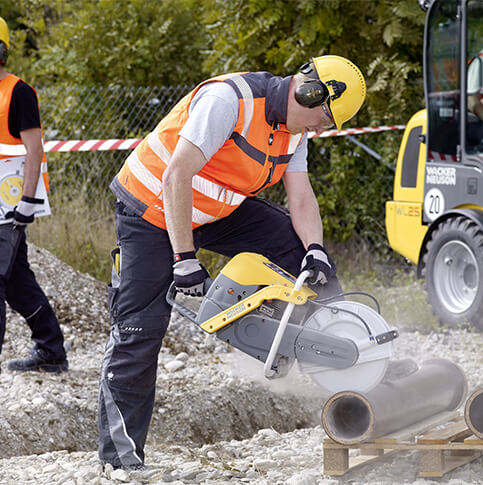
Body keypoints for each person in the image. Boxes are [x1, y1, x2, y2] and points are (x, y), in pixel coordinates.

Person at [98, 55, 366, 469]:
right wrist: (184, 259)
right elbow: (175, 177)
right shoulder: (229, 100)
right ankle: (120, 462)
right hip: (154, 209)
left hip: (216, 210)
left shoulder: (294, 130)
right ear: (310, 92)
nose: (320, 129)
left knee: (302, 254)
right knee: (140, 330)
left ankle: (354, 355)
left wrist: (316, 250)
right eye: (324, 120)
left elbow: (301, 196)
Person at [0, 12, 68, 379]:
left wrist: (27, 201)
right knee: (17, 281)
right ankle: (51, 349)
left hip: (12, 202)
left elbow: (34, 150)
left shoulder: (19, 92)